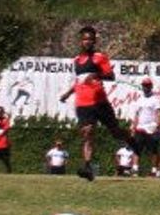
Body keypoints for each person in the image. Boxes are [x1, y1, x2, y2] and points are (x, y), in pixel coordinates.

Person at [59, 25, 138, 181]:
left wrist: (96, 75)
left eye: (90, 39)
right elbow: (79, 82)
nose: (87, 42)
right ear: (80, 41)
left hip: (100, 102)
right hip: (83, 103)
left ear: (94, 41)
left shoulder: (99, 57)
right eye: (84, 39)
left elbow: (110, 75)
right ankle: (88, 167)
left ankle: (130, 140)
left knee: (116, 133)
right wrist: (67, 94)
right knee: (87, 133)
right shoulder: (76, 61)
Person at [133, 77, 160, 177]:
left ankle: (154, 170)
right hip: (140, 127)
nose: (146, 87)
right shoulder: (139, 99)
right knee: (137, 148)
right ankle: (135, 169)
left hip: (151, 127)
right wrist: (133, 126)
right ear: (142, 87)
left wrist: (157, 125)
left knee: (153, 150)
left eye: (147, 85)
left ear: (151, 87)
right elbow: (137, 114)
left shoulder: (155, 100)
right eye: (144, 85)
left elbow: (158, 113)